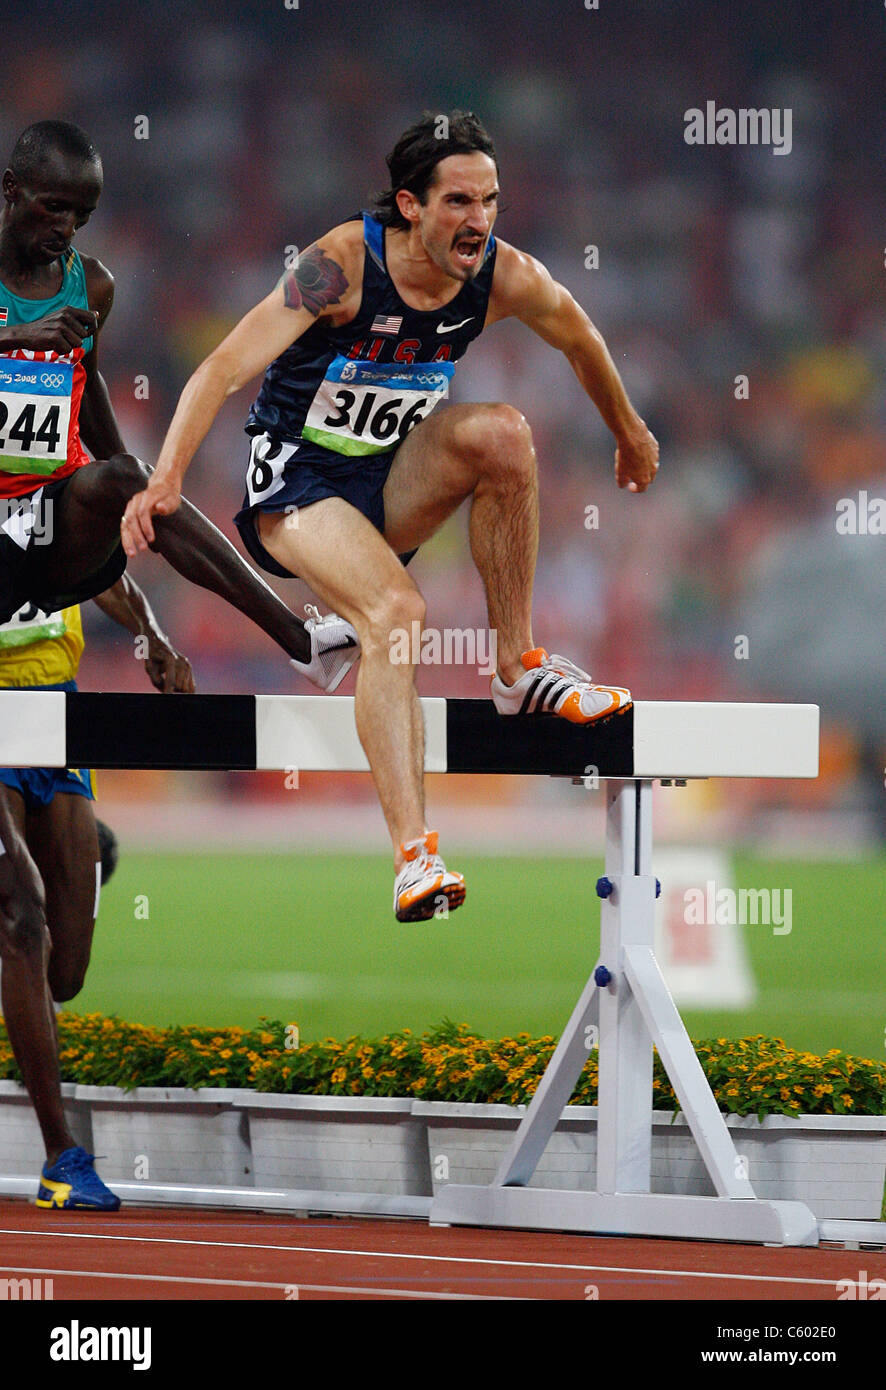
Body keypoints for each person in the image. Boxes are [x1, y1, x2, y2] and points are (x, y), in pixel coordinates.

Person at [122, 110, 660, 923]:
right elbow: (226, 363)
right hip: (296, 487)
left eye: (490, 201)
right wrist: (166, 477)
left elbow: (580, 337)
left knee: (505, 436)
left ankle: (517, 671)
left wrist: (629, 430)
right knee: (398, 612)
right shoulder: (338, 265)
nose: (478, 220)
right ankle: (414, 858)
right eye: (458, 202)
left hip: (387, 481)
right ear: (410, 205)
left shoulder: (501, 275)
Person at [0, 119, 358, 690]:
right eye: (54, 208)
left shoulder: (90, 286)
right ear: (12, 188)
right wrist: (20, 337)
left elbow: (85, 383)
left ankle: (303, 643)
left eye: (81, 216)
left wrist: (129, 491)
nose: (66, 227)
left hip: (44, 523)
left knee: (135, 479)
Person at [0, 576, 194, 1211]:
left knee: (64, 974)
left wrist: (152, 634)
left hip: (58, 708)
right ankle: (61, 1157)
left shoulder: (56, 475)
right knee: (21, 922)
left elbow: (98, 561)